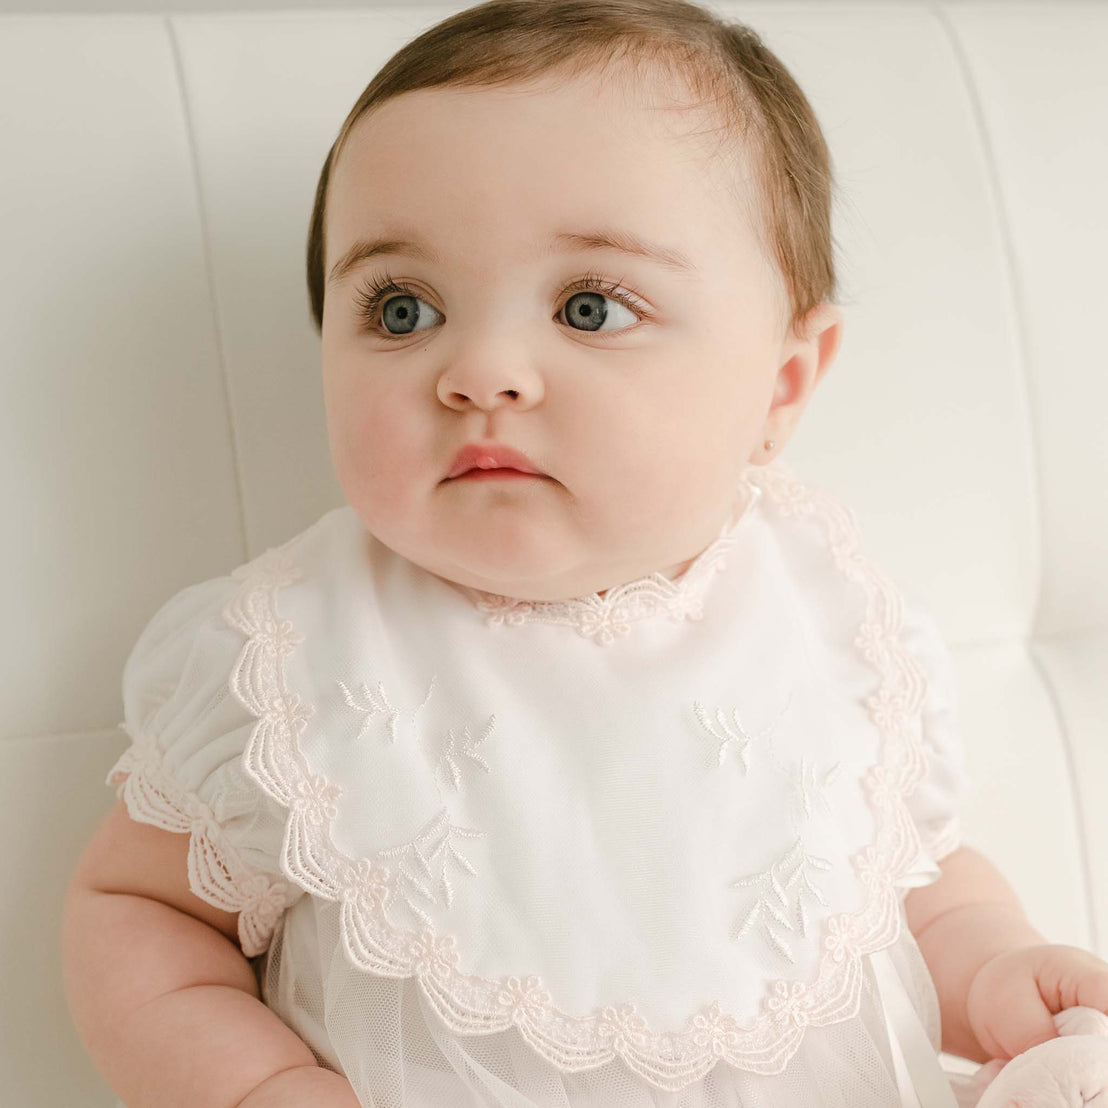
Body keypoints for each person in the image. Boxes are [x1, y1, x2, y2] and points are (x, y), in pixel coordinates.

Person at [61, 1, 1108, 1105]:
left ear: (782, 383)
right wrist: (257, 1085)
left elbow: (909, 879)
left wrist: (989, 962)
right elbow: (142, 911)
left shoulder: (833, 619)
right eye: (403, 307)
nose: (480, 371)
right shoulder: (285, 658)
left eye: (591, 306)